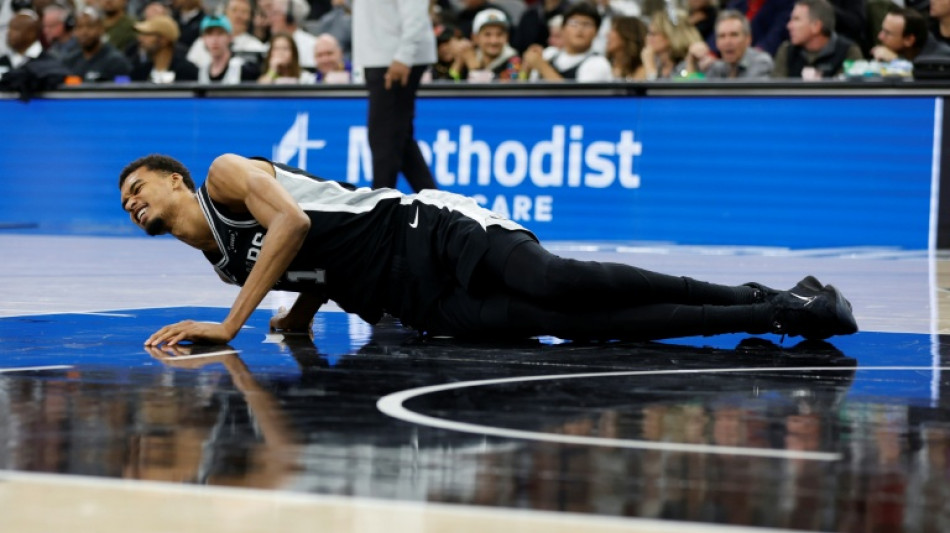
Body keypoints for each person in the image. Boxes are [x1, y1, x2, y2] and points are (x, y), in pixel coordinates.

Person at [117, 153, 859, 346]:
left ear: (177, 180)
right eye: (125, 204)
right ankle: (781, 316)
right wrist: (304, 309)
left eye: (139, 186)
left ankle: (776, 297)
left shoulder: (222, 174)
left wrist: (233, 323)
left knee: (561, 278)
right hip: (416, 298)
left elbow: (295, 226)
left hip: (423, 229)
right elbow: (312, 261)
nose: (133, 201)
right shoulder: (218, 259)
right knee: (585, 327)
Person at [352, 0, 438, 191]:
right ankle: (440, 206)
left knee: (384, 138)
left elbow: (416, 9)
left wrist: (404, 55)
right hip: (381, 56)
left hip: (394, 59)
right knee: (400, 140)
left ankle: (380, 211)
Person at [521, 1, 612, 82]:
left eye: (586, 24)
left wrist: (542, 66)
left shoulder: (598, 64)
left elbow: (577, 98)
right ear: (563, 29)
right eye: (574, 23)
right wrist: (526, 70)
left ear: (596, 32)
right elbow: (524, 88)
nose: (579, 29)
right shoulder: (549, 54)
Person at [771, 0, 863, 79]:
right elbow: (776, 92)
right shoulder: (786, 51)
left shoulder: (848, 52)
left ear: (816, 26)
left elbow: (848, 93)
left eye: (796, 19)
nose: (789, 26)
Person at [686, 9, 774, 79]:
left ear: (748, 39)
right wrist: (691, 62)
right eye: (722, 36)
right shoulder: (717, 67)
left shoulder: (761, 62)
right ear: (716, 42)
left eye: (734, 35)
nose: (727, 42)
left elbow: (745, 97)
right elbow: (691, 96)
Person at [61, 6, 132, 82]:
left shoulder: (117, 62)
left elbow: (123, 90)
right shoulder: (69, 62)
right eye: (79, 27)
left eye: (90, 26)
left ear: (101, 29)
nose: (84, 32)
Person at [130, 14, 199, 82]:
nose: (140, 38)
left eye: (148, 34)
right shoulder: (140, 72)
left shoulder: (186, 71)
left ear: (164, 40)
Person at [641, 6, 703, 80]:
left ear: (670, 35)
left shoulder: (689, 64)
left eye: (653, 34)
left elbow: (659, 91)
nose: (647, 38)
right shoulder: (657, 64)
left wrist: (650, 68)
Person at [871, 6, 950, 62]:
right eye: (882, 30)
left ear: (909, 40)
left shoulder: (941, 59)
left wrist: (896, 61)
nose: (880, 36)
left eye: (887, 33)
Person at [196, 13, 258, 83]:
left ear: (230, 37)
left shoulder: (242, 68)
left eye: (220, 33)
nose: (214, 40)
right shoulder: (203, 70)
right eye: (209, 34)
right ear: (203, 38)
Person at [463, 7, 522, 81]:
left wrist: (475, 69)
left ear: (507, 37)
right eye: (487, 34)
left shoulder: (514, 61)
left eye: (499, 34)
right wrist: (458, 63)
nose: (493, 41)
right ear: (475, 38)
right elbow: (451, 87)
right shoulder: (468, 56)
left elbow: (508, 88)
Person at [0, 9, 41, 77]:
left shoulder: (45, 61)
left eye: (15, 29)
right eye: (9, 28)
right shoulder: (4, 60)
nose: (9, 33)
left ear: (31, 33)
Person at [605, 14, 647, 80]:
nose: (607, 35)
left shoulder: (643, 71)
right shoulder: (603, 66)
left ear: (627, 35)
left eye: (614, 30)